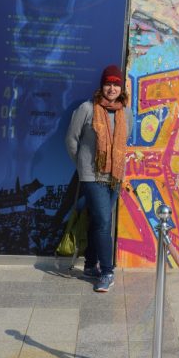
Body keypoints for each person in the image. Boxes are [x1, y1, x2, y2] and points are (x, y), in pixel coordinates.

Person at [65, 64, 133, 292]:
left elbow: (125, 142)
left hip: (114, 176)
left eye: (116, 84)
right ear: (101, 85)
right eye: (108, 83)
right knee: (104, 222)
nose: (112, 88)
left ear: (121, 87)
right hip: (92, 176)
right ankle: (106, 271)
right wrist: (83, 166)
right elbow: (71, 140)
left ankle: (88, 264)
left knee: (98, 220)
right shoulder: (87, 109)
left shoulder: (126, 113)